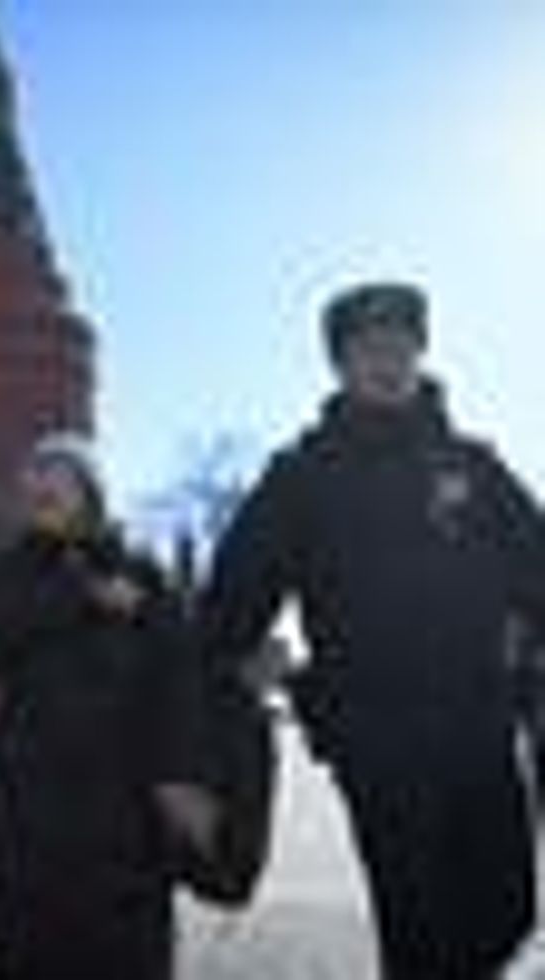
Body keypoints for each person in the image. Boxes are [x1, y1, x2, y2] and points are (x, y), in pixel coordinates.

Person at [197, 282, 545, 979]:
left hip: (479, 721)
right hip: (374, 735)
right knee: (417, 921)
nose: (387, 361)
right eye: (366, 349)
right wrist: (238, 654)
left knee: (508, 908)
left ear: (420, 354)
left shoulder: (472, 464)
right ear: (340, 366)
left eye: (400, 346)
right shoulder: (305, 475)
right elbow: (232, 598)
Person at [0, 433, 201, 980]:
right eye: (33, 475)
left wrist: (183, 775)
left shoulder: (141, 572)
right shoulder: (9, 572)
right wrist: (77, 596)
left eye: (56, 473)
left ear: (90, 490)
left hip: (121, 814)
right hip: (21, 815)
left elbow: (179, 678)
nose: (39, 484)